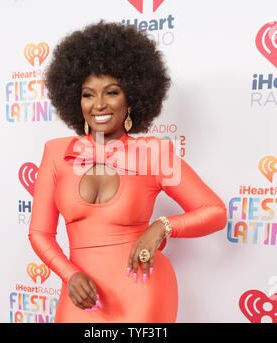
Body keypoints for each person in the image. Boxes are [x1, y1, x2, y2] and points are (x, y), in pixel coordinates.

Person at [28, 20, 227, 323]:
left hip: (143, 289)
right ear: (74, 99)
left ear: (132, 97)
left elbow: (214, 211)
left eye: (111, 92)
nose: (98, 105)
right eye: (87, 94)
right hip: (82, 294)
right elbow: (40, 233)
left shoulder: (154, 153)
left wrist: (161, 227)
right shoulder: (57, 153)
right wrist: (70, 275)